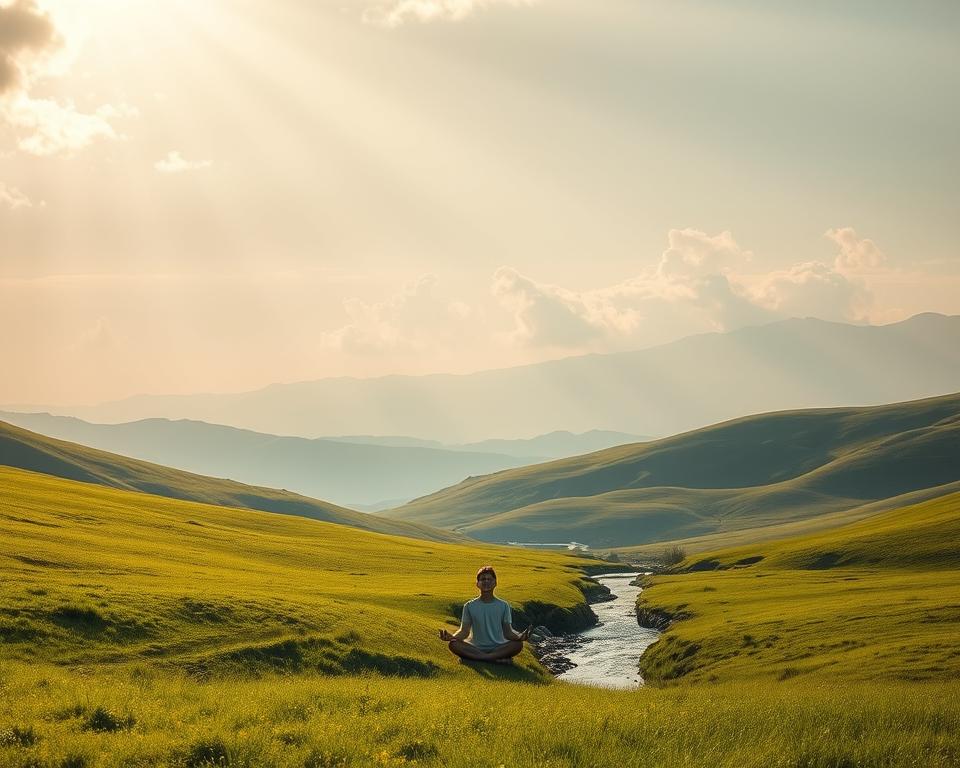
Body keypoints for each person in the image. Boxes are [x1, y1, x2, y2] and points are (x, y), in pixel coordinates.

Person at [439, 565, 530, 663]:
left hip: (498, 647)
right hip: (475, 647)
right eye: (483, 579)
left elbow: (508, 632)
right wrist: (452, 637)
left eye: (489, 579)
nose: (486, 581)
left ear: (495, 583)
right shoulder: (469, 606)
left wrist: (519, 637)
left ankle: (476, 659)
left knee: (518, 645)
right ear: (477, 584)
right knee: (453, 644)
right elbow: (464, 631)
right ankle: (494, 659)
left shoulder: (503, 605)